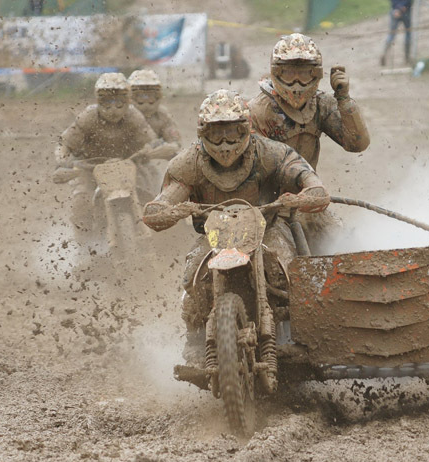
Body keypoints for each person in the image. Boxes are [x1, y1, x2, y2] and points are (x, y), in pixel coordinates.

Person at [142, 89, 329, 362]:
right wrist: (172, 210)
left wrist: (303, 195)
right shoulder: (187, 163)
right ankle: (195, 339)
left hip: (268, 227)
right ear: (202, 133)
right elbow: (159, 205)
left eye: (232, 132)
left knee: (286, 269)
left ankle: (292, 332)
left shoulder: (272, 153)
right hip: (214, 234)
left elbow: (311, 182)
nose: (225, 143)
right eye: (217, 134)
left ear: (247, 129)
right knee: (193, 276)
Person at [248, 33, 369, 171]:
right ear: (276, 72)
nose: (297, 83)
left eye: (305, 74)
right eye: (289, 74)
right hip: (269, 189)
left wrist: (344, 99)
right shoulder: (258, 111)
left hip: (308, 188)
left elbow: (357, 144)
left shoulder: (321, 105)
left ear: (316, 74)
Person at [53, 72, 157, 232]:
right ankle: (85, 247)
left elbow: (150, 140)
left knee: (152, 193)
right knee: (81, 202)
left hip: (128, 166)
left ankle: (159, 233)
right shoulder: (88, 117)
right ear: (98, 101)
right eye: (107, 102)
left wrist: (149, 150)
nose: (113, 109)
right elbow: (64, 143)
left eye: (119, 103)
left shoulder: (134, 116)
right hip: (90, 169)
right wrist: (62, 160)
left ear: (128, 101)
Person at [128, 69, 182, 195]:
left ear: (158, 96)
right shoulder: (123, 116)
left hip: (144, 164)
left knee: (157, 185)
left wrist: (165, 149)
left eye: (150, 96)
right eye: (140, 96)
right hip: (117, 161)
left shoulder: (162, 115)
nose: (146, 102)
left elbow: (174, 141)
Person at [381, 0, 413, 66]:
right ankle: (407, 58)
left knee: (391, 34)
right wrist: (401, 7)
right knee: (408, 34)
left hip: (395, 10)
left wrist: (397, 8)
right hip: (405, 10)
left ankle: (384, 53)